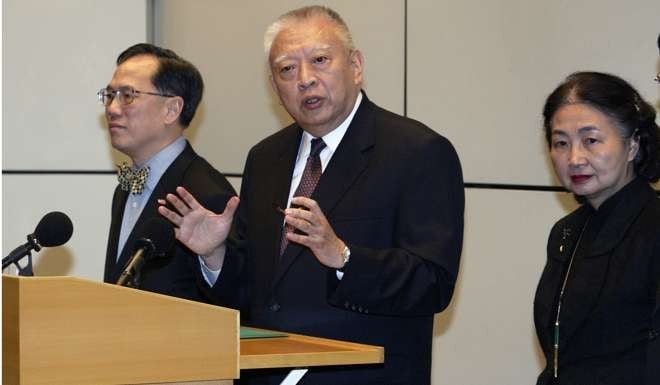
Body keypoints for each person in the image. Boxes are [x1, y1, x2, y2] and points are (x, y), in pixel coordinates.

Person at [159, 6, 464, 385]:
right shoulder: (266, 157)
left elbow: (432, 284)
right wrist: (214, 255)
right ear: (274, 87)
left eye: (320, 60)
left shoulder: (417, 151)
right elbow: (259, 296)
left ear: (355, 65)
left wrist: (344, 257)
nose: (305, 80)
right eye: (287, 69)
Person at [534, 71, 660, 385]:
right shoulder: (566, 232)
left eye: (591, 141)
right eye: (561, 143)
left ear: (632, 145)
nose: (574, 158)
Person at [100, 43, 236, 303]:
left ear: (172, 110)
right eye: (109, 95)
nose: (112, 108)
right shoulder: (125, 189)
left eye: (128, 96)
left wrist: (214, 256)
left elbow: (234, 301)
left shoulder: (207, 194)